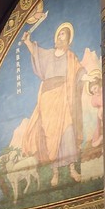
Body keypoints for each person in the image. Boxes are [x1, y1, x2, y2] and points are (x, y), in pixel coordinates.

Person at [14, 10, 86, 189]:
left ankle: (71, 169)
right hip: (47, 97)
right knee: (51, 135)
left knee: (68, 130)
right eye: (60, 33)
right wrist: (28, 41)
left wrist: (87, 77)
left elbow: (79, 72)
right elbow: (36, 53)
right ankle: (55, 173)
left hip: (63, 95)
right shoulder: (48, 54)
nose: (61, 36)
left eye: (64, 34)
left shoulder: (71, 57)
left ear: (68, 39)